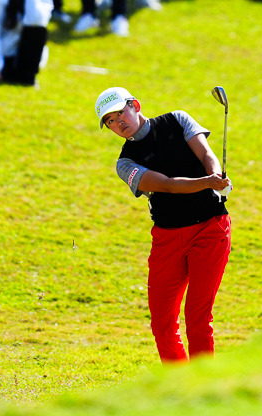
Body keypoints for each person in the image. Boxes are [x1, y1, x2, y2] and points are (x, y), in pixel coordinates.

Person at [98, 86, 232, 363]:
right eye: (110, 121)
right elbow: (167, 186)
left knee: (197, 316)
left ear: (135, 105)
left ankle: (203, 386)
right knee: (161, 322)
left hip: (209, 229)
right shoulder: (125, 163)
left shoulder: (177, 119)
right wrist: (208, 183)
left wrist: (216, 175)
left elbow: (206, 154)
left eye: (120, 112)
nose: (118, 122)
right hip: (167, 238)